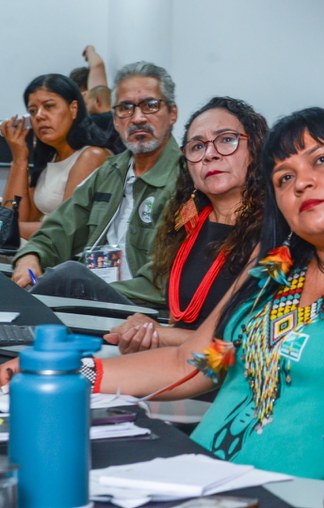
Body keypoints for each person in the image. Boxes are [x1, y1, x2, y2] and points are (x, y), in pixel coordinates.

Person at [1, 107, 324, 479]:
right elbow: (188, 363)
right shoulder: (273, 270)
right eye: (283, 177)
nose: (301, 181)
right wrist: (66, 371)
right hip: (198, 475)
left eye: (321, 160)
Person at [103, 96, 268, 353]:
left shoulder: (275, 230)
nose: (210, 154)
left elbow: (246, 338)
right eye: (197, 146)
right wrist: (147, 330)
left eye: (226, 139)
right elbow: (177, 314)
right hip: (175, 366)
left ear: (256, 148)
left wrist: (160, 334)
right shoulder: (185, 222)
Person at [10, 61, 180, 307]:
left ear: (172, 113)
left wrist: (88, 289)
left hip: (143, 310)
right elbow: (58, 229)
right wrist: (31, 257)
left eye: (150, 105)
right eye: (125, 108)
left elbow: (167, 275)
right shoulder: (110, 172)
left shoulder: (188, 179)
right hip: (90, 304)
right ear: (115, 119)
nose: (138, 118)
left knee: (68, 276)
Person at [0, 74, 112, 238]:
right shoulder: (51, 158)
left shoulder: (91, 156)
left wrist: (6, 229)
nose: (39, 116)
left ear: (73, 109)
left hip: (65, 257)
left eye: (49, 106)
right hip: (36, 250)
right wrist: (19, 159)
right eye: (33, 110)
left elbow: (65, 227)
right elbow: (17, 216)